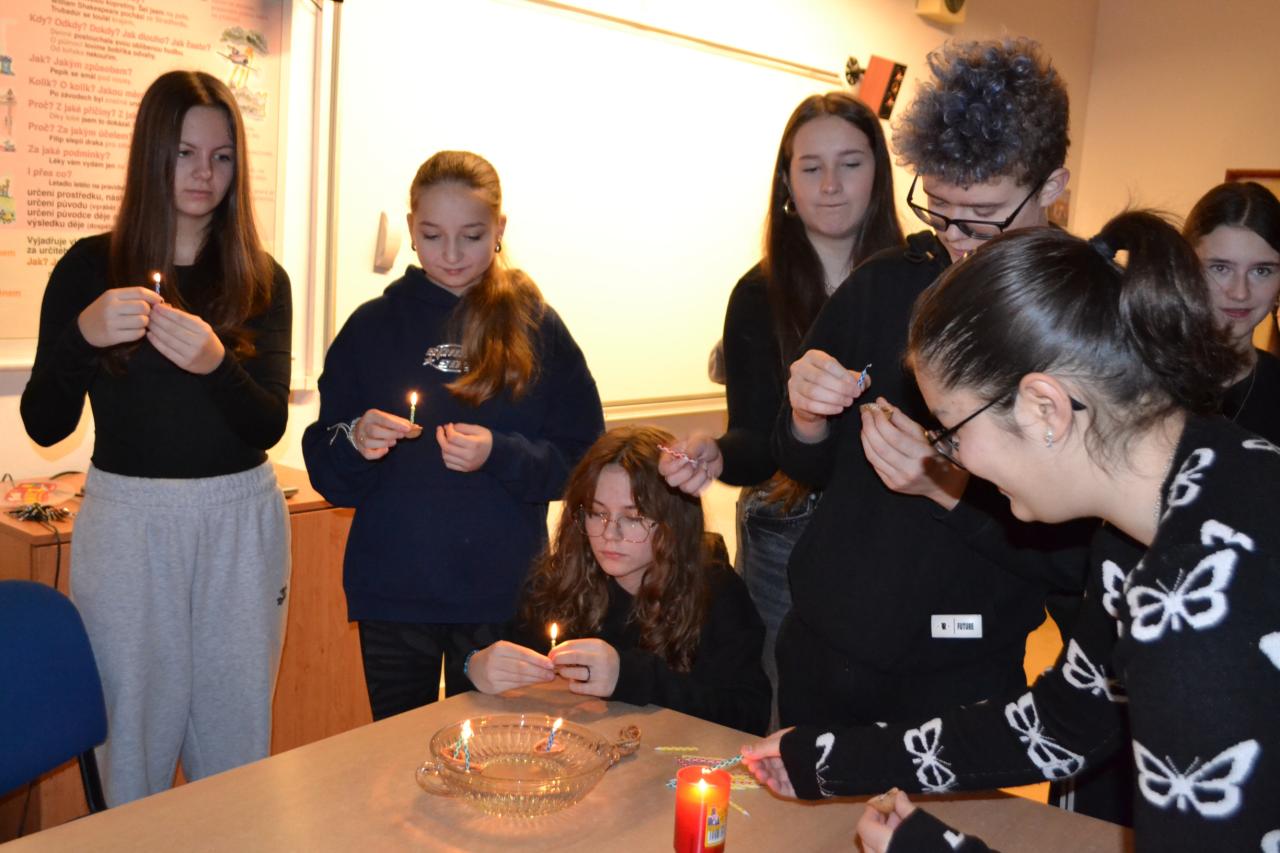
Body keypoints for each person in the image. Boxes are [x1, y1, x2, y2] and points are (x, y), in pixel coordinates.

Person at [742, 211, 1280, 852]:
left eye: (950, 429)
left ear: (1044, 408)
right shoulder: (1165, 506)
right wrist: (831, 761)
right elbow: (1065, 722)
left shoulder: (1200, 605)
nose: (950, 457)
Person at [770, 38, 1081, 732]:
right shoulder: (883, 282)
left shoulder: (1085, 323)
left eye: (982, 215)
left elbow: (1076, 560)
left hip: (959, 674)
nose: (956, 238)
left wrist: (946, 485)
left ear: (1052, 187)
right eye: (938, 210)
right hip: (822, 651)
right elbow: (803, 465)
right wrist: (805, 416)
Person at [20, 71, 293, 806]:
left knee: (236, 746)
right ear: (152, 155)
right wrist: (80, 337)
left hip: (239, 520)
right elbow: (45, 423)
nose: (204, 174)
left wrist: (216, 364)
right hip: (129, 522)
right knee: (130, 742)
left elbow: (267, 424)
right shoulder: (89, 267)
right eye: (184, 154)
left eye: (222, 157)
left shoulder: (261, 278)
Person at [302, 150, 604, 721]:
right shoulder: (371, 329)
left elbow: (586, 461)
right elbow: (327, 471)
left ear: (499, 229)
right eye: (432, 235)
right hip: (394, 594)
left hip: (502, 593)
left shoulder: (536, 326)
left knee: (499, 754)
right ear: (411, 230)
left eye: (471, 236)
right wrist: (357, 442)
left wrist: (500, 453)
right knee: (396, 755)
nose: (451, 254)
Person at [660, 92, 903, 725]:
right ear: (786, 183)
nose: (830, 185)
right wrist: (717, 453)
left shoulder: (916, 282)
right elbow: (756, 441)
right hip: (784, 529)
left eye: (850, 164)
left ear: (878, 174)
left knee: (877, 713)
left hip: (889, 523)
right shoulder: (757, 294)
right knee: (780, 711)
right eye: (810, 167)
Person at [465, 426, 770, 734]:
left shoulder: (715, 591)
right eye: (597, 513)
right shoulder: (560, 580)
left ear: (674, 521)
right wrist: (474, 666)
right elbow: (481, 649)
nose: (610, 534)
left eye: (634, 518)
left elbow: (749, 715)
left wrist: (629, 676)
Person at [1184, 181, 1280, 439]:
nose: (1240, 293)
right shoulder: (1136, 374)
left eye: (1262, 271)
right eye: (1220, 268)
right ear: (1186, 268)